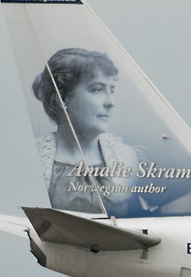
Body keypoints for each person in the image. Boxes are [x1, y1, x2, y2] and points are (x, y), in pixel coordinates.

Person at [31, 48, 140, 214]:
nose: (110, 102)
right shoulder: (34, 158)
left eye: (111, 90)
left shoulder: (127, 158)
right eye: (97, 89)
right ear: (62, 98)